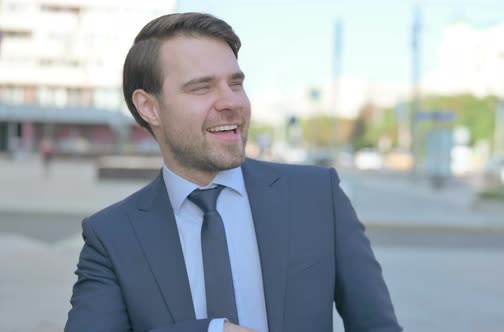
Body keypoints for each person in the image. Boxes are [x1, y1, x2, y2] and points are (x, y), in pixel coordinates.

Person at [65, 12, 402, 332]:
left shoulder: (317, 198)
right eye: (202, 87)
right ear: (149, 107)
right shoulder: (112, 236)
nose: (232, 102)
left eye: (236, 83)